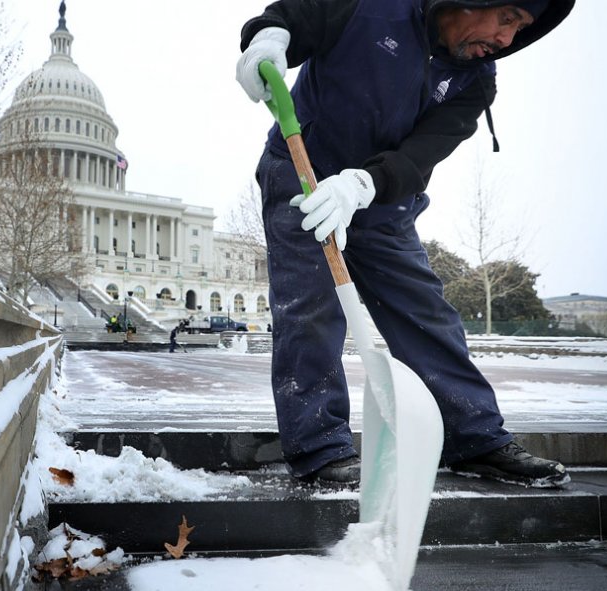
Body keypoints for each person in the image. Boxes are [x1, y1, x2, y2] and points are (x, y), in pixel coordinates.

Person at [236, 0, 573, 487]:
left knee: (426, 315)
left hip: (382, 199)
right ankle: (319, 449)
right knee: (309, 309)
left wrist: (360, 186)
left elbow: (419, 156)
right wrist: (267, 38)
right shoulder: (370, 7)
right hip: (302, 174)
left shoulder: (475, 81)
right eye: (507, 18)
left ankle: (474, 438)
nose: (506, 39)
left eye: (518, 29)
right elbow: (295, 16)